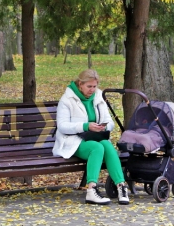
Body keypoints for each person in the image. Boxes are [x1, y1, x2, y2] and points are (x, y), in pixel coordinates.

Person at [53, 69, 129, 205]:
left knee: (105, 144)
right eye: (89, 86)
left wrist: (103, 127)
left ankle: (121, 186)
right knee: (97, 147)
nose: (92, 90)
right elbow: (62, 126)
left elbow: (109, 122)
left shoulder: (99, 97)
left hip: (94, 136)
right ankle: (91, 190)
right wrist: (86, 126)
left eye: (94, 86)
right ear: (80, 84)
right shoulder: (67, 99)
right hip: (72, 141)